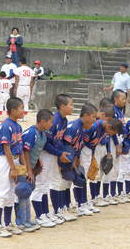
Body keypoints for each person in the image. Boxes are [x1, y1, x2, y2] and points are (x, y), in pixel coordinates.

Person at [0, 97, 25, 237]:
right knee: (2, 193)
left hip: (14, 161)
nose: (23, 111)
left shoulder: (18, 126)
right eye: (21, 109)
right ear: (12, 111)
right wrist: (12, 168)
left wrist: (22, 165)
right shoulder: (6, 126)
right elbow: (6, 148)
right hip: (5, 162)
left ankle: (7, 223)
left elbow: (20, 147)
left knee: (11, 194)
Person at [43, 94, 75, 224]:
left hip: (56, 153)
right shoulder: (54, 120)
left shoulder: (64, 120)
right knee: (53, 181)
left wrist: (63, 153)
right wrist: (59, 153)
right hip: (46, 154)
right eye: (70, 104)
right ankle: (57, 210)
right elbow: (46, 143)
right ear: (62, 106)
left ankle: (60, 209)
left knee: (59, 180)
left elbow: (59, 140)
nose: (72, 107)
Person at [22, 109, 56, 229]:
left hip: (32, 165)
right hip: (23, 166)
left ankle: (41, 214)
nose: (51, 125)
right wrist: (29, 170)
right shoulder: (32, 133)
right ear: (42, 122)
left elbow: (37, 150)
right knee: (22, 192)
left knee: (34, 189)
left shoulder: (42, 133)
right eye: (50, 122)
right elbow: (25, 151)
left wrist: (38, 162)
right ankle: (37, 216)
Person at [64, 103, 99, 216]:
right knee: (64, 183)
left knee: (79, 179)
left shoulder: (82, 128)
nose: (94, 120)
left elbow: (77, 146)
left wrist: (76, 158)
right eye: (93, 117)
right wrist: (70, 161)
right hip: (64, 158)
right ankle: (70, 206)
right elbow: (65, 145)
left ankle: (80, 204)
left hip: (73, 157)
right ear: (86, 116)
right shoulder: (74, 127)